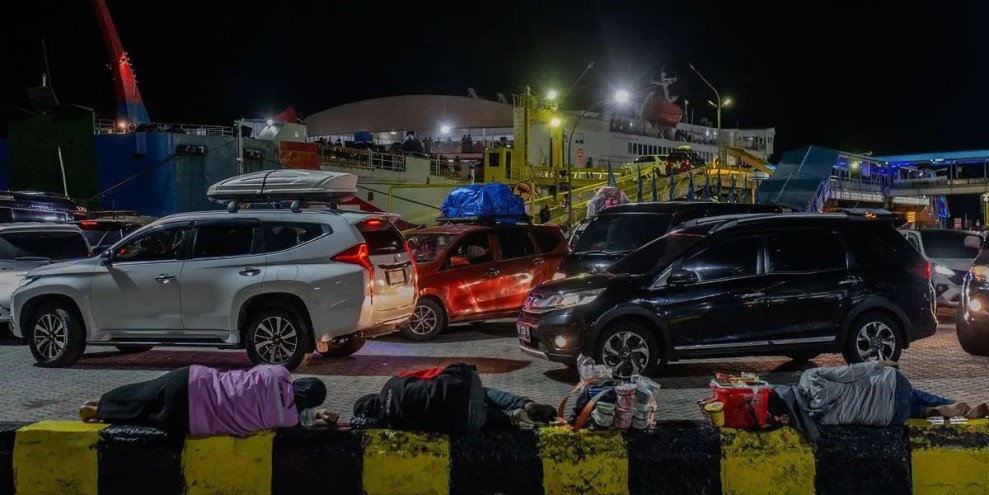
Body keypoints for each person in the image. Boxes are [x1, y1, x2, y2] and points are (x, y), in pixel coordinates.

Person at [79, 365, 337, 436]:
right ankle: (99, 413)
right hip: (190, 421)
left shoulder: (278, 374)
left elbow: (255, 374)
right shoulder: (288, 418)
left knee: (140, 394)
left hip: (193, 382)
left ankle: (100, 404)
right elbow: (297, 421)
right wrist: (316, 415)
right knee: (142, 418)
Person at [771, 361, 986, 441]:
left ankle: (930, 412)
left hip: (890, 417)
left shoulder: (816, 419)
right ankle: (957, 408)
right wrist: (880, 363)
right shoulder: (810, 377)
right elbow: (852, 371)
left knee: (909, 409)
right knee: (913, 393)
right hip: (892, 386)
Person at [350, 363, 557, 433]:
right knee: (480, 392)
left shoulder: (392, 422)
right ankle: (525, 404)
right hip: (463, 386)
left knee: (466, 414)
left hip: (468, 419)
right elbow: (432, 372)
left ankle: (512, 416)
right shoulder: (392, 383)